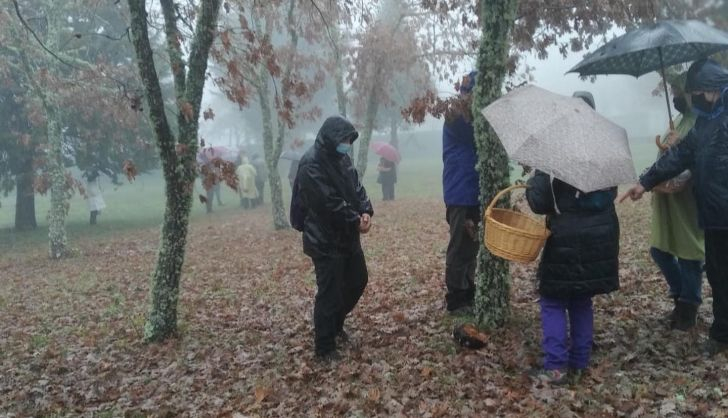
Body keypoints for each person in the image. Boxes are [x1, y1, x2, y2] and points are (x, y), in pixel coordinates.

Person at [621, 58, 728, 356]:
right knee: (719, 276)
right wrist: (644, 182)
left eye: (694, 94)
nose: (690, 100)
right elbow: (679, 156)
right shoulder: (705, 124)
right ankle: (722, 334)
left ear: (710, 91)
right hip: (716, 216)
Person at [526, 168, 620, 385]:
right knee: (581, 299)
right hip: (600, 236)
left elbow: (539, 202)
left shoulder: (554, 159)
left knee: (553, 300)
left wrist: (537, 174)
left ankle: (556, 367)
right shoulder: (603, 158)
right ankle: (579, 361)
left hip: (566, 237)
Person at [295, 115, 373, 362]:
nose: (347, 144)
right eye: (343, 140)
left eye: (349, 140)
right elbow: (326, 203)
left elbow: (356, 187)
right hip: (324, 239)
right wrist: (354, 220)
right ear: (330, 139)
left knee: (358, 279)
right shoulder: (311, 164)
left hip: (347, 237)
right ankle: (324, 347)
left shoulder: (343, 158)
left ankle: (336, 325)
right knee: (329, 292)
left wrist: (365, 211)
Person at [648, 86, 704, 331]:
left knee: (689, 254)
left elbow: (699, 158)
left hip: (688, 202)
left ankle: (688, 308)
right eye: (673, 92)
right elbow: (666, 160)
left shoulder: (701, 121)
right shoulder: (680, 120)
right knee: (659, 250)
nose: (675, 97)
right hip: (667, 202)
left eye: (680, 91)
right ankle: (681, 296)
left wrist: (679, 146)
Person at [442, 71, 480, 315]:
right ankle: (456, 297)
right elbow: (473, 133)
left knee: (472, 242)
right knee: (459, 244)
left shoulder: (469, 113)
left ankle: (468, 290)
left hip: (473, 189)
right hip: (459, 191)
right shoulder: (456, 113)